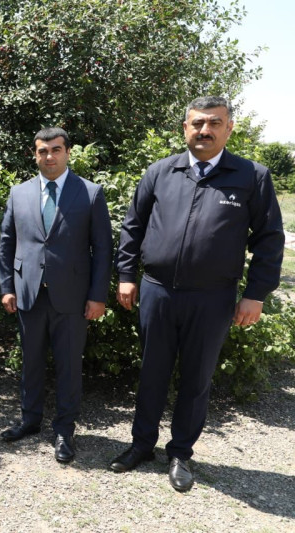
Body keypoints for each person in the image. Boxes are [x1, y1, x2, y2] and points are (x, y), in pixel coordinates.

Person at [111, 96, 284, 492]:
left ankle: (180, 454)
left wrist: (256, 294)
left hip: (212, 298)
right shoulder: (161, 171)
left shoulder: (252, 176)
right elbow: (133, 226)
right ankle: (141, 445)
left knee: (196, 378)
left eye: (214, 123)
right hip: (157, 292)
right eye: (197, 123)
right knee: (151, 372)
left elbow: (270, 239)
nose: (205, 130)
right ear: (185, 128)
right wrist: (126, 274)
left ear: (229, 128)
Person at [0, 127, 112, 463]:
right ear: (35, 154)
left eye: (56, 150)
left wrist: (98, 296)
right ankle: (30, 420)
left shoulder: (89, 193)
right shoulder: (19, 193)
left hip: (73, 297)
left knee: (68, 366)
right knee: (30, 362)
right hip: (28, 294)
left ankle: (64, 430)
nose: (49, 156)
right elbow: (6, 243)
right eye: (43, 151)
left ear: (68, 152)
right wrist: (7, 287)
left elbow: (103, 249)